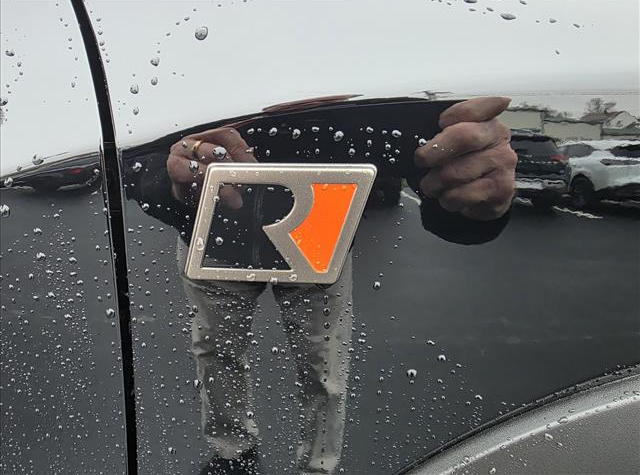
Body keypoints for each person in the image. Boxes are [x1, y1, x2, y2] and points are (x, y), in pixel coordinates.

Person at [132, 96, 517, 475]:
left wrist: (474, 182)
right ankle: (256, 455)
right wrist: (169, 178)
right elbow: (139, 156)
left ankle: (263, 457)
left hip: (291, 235)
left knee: (306, 366)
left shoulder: (363, 73)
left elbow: (438, 163)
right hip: (269, 233)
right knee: (252, 358)